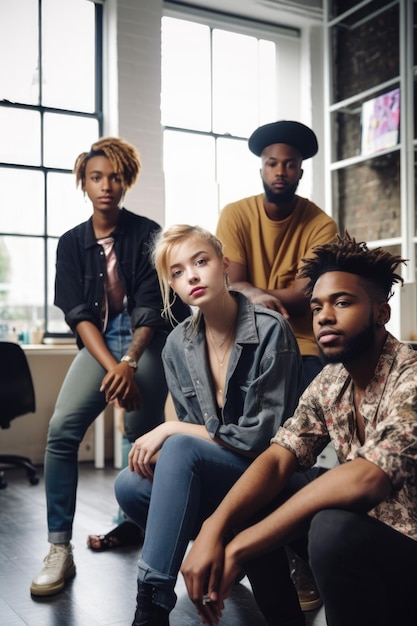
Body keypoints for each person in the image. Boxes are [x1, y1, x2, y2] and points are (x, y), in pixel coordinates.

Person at [181, 232, 417, 626]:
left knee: (331, 527)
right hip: (373, 550)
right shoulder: (330, 381)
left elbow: (368, 479)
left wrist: (239, 547)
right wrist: (214, 528)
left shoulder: (411, 373)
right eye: (317, 306)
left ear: (381, 313)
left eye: (342, 302)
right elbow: (276, 460)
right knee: (261, 493)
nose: (324, 315)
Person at [114, 224, 305, 626]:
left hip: (270, 474)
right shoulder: (176, 345)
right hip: (223, 476)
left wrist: (167, 430)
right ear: (173, 286)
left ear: (224, 265)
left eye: (201, 262)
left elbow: (261, 440)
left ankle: (151, 607)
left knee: (179, 447)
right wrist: (179, 433)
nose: (193, 276)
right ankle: (215, 549)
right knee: (129, 485)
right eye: (179, 272)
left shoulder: (273, 331)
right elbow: (202, 443)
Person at [30, 137, 187, 597]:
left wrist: (131, 361)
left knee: (140, 432)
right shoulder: (71, 244)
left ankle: (139, 527)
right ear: (84, 182)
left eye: (115, 177)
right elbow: (78, 315)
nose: (106, 186)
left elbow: (152, 306)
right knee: (61, 432)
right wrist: (115, 368)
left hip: (146, 340)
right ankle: (60, 548)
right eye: (97, 177)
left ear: (126, 181)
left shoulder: (147, 233)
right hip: (98, 344)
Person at [216, 119, 339, 608]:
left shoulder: (321, 224)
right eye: (272, 163)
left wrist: (261, 295)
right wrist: (262, 296)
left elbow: (313, 291)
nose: (280, 171)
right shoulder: (236, 214)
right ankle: (271, 545)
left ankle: (295, 551)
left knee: (291, 447)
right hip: (247, 341)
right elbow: (235, 282)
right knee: (247, 443)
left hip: (307, 343)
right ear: (261, 167)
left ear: (302, 170)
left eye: (289, 164)